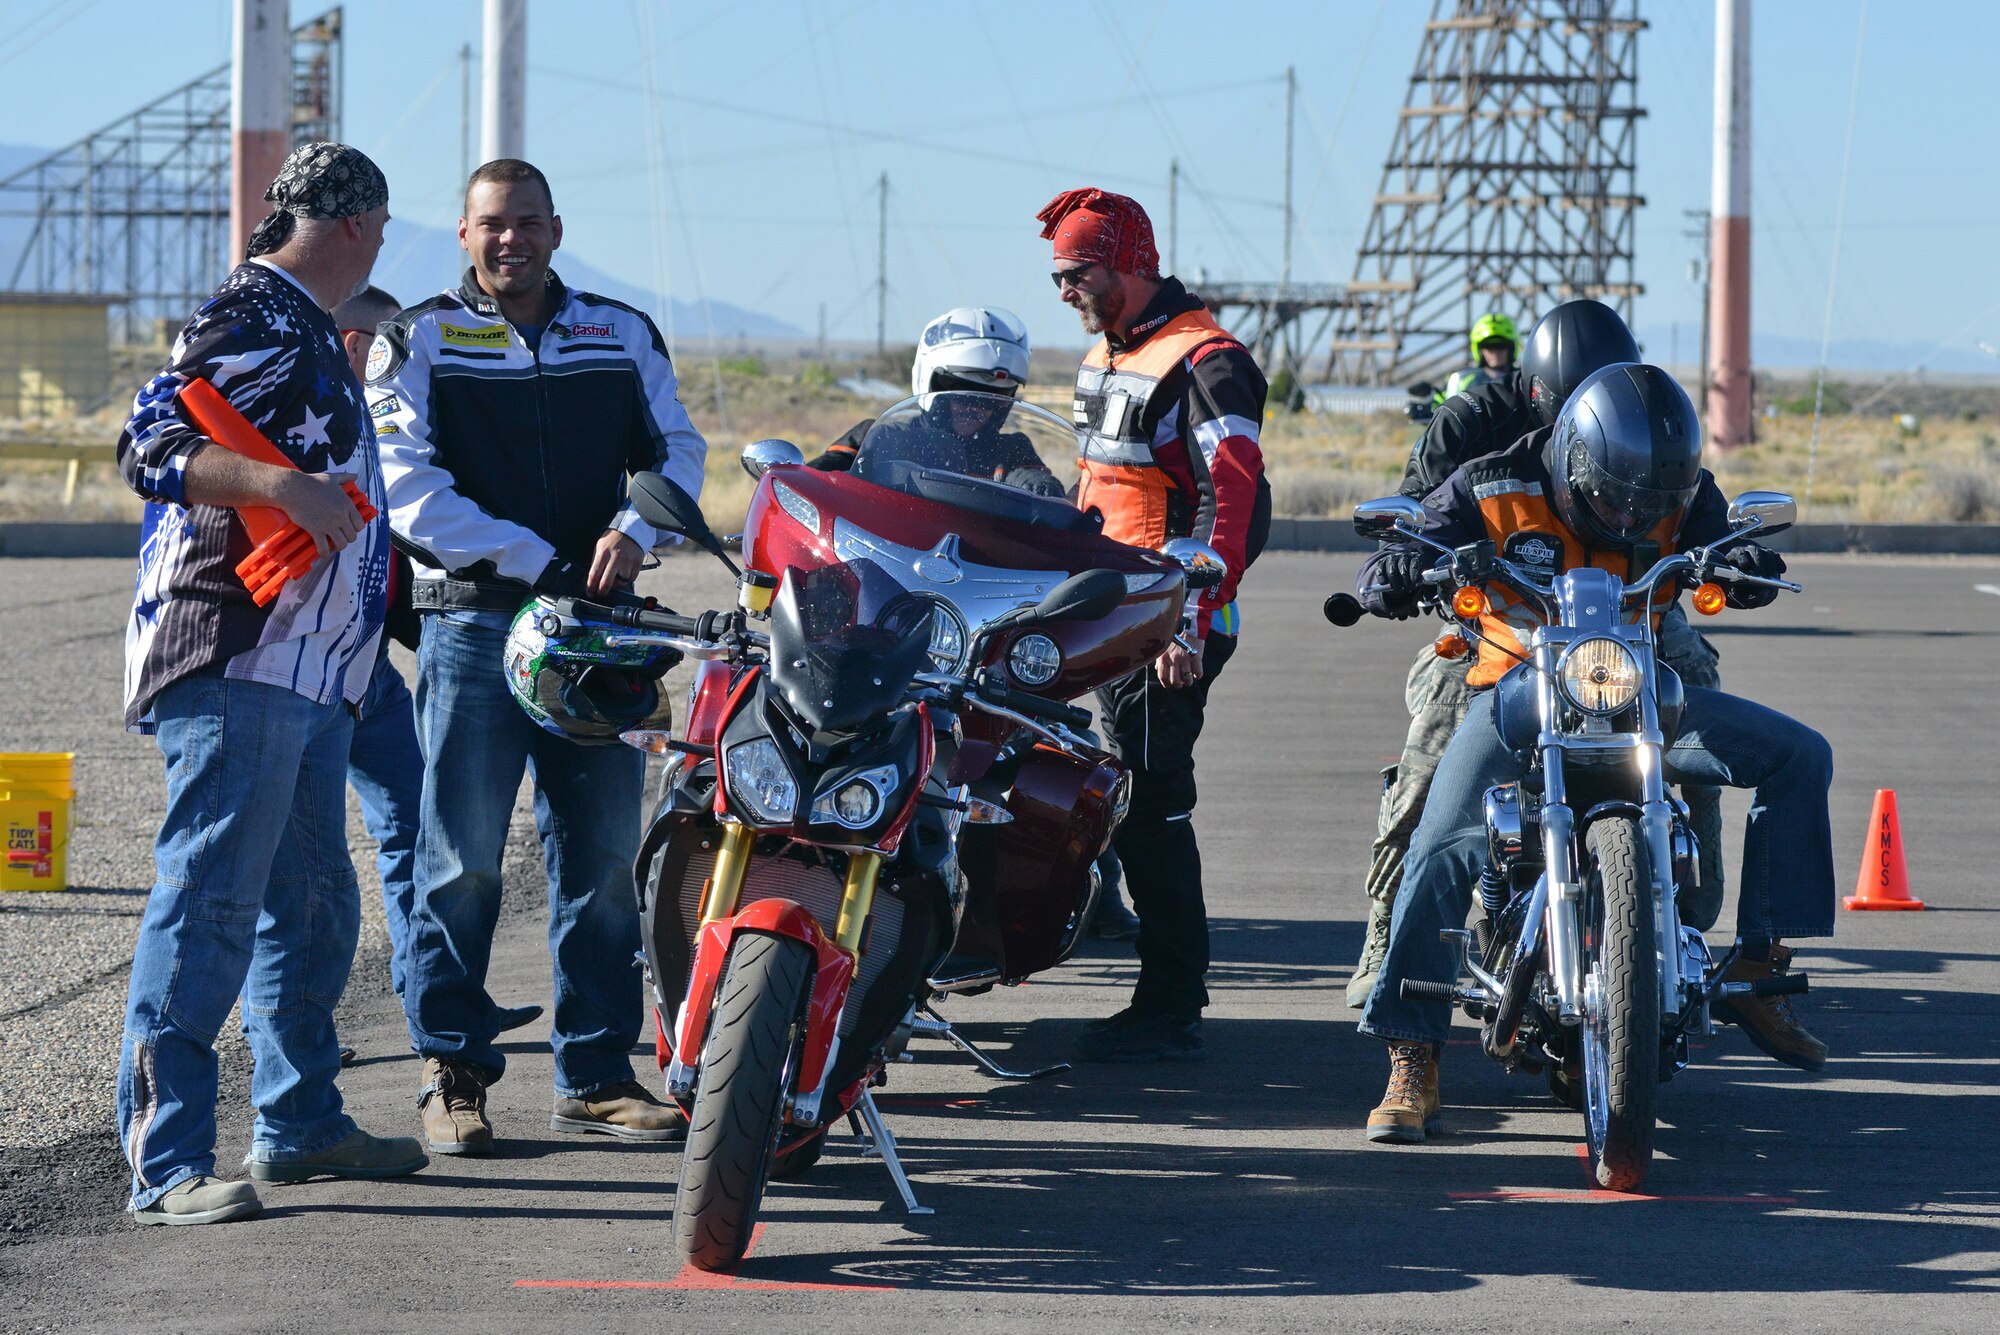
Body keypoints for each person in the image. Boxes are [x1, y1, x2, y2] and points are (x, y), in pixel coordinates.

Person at [1354, 363, 1834, 1144]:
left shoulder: (1680, 491)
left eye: (1654, 506)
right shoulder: (1493, 482)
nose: (1634, 515)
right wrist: (1398, 568)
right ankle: (1412, 1053)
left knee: (1800, 755)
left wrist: (1748, 567)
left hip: (1641, 689)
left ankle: (1756, 967)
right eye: (1616, 499)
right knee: (1443, 836)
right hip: (1519, 692)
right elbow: (1401, 546)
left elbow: (1725, 542)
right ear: (1575, 459)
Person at [114, 142, 426, 1227]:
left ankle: (297, 1126)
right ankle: (167, 1165)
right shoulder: (252, 312)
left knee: (309, 903)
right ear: (352, 225)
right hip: (238, 657)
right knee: (211, 904)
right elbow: (146, 440)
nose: (381, 245)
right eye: (380, 229)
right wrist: (280, 485)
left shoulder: (307, 328)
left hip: (313, 670)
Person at [371, 159, 707, 1156]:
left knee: (603, 863)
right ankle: (452, 1074)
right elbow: (407, 490)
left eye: (526, 223)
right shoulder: (416, 337)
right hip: (474, 626)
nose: (508, 239)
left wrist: (637, 531)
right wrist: (546, 560)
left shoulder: (622, 330)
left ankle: (596, 1075)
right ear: (462, 235)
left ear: (556, 230)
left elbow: (676, 451)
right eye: (489, 225)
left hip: (605, 632)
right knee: (459, 862)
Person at [1345, 299, 1729, 1009]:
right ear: (1544, 398)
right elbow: (1416, 512)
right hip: (1503, 610)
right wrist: (1409, 566)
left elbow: (1703, 508)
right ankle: (1387, 932)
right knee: (1435, 743)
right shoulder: (1473, 423)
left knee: (1695, 673)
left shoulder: (1640, 421)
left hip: (1622, 611)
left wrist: (1730, 556)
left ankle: (1697, 877)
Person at [1036, 187, 1272, 1061]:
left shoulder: (1206, 362)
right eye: (1058, 276)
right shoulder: (1113, 349)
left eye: (1078, 272)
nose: (1064, 291)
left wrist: (1188, 620)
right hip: (1101, 610)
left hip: (1162, 620)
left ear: (1131, 264)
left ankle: (1171, 999)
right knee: (1099, 784)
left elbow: (1229, 502)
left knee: (1152, 801)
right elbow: (1103, 488)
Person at [326, 286, 542, 1050]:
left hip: (366, 661)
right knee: (312, 861)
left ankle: (429, 997)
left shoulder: (374, 419)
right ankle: (313, 1029)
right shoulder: (325, 423)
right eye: (379, 342)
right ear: (354, 343)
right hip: (320, 669)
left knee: (412, 825)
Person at [808, 306, 1032, 472]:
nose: (978, 407)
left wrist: (1040, 484)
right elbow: (816, 480)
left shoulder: (1012, 451)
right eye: (962, 392)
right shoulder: (881, 435)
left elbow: (1037, 483)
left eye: (995, 399)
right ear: (929, 380)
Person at [1437, 312, 1519, 401]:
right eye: (1489, 347)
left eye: (1501, 346)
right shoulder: (1463, 380)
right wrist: (1427, 397)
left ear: (1511, 349)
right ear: (1479, 350)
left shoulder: (1522, 380)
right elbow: (1442, 404)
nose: (1496, 352)